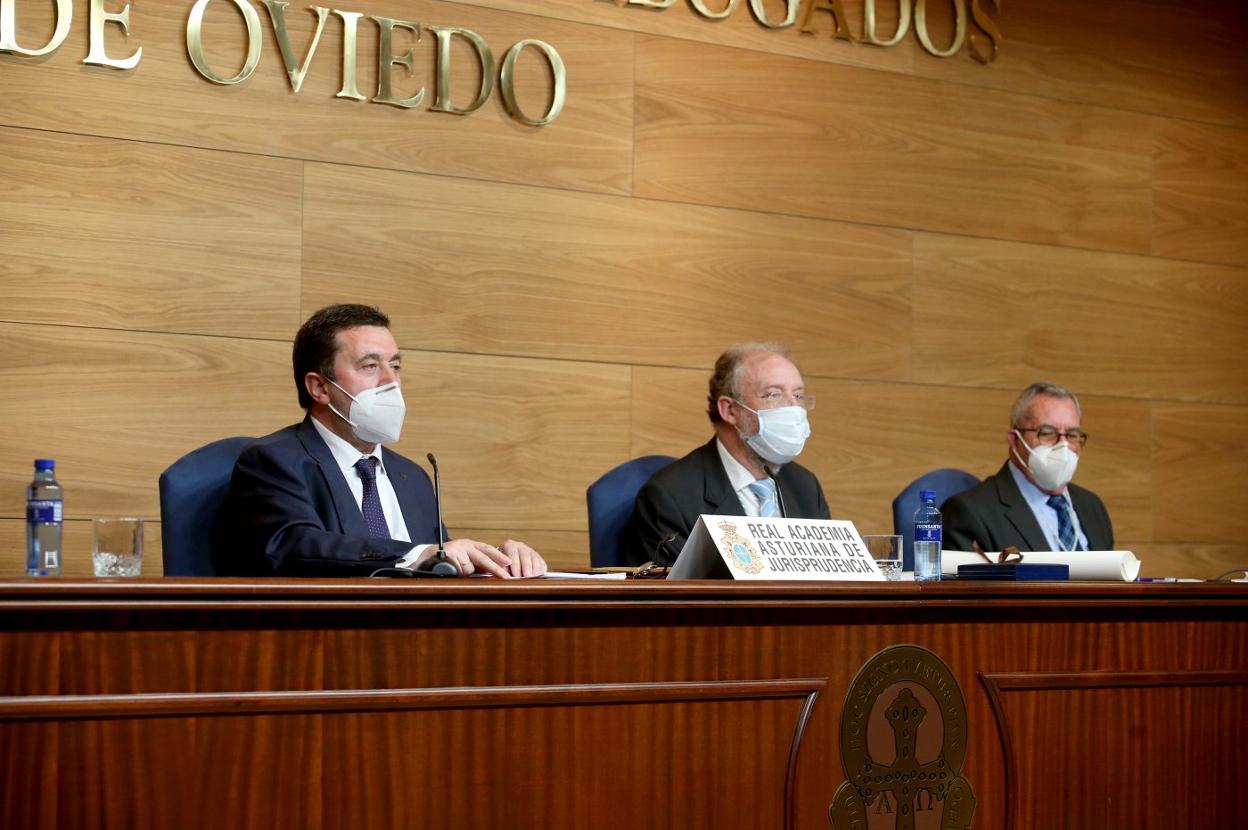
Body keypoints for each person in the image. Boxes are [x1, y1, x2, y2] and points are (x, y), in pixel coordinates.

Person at [213, 304, 547, 577]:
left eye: (396, 366)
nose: (391, 382)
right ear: (319, 387)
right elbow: (294, 547)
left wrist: (499, 561)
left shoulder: (412, 476)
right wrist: (413, 554)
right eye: (370, 366)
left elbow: (440, 562)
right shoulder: (275, 461)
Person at [623, 343, 830, 566]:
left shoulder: (805, 487)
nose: (792, 408)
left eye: (798, 396)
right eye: (773, 394)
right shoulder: (671, 497)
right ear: (730, 410)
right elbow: (673, 597)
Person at [942, 381, 1113, 553]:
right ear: (1015, 441)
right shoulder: (970, 513)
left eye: (1072, 435)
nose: (1063, 445)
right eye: (1047, 433)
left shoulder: (1091, 506)